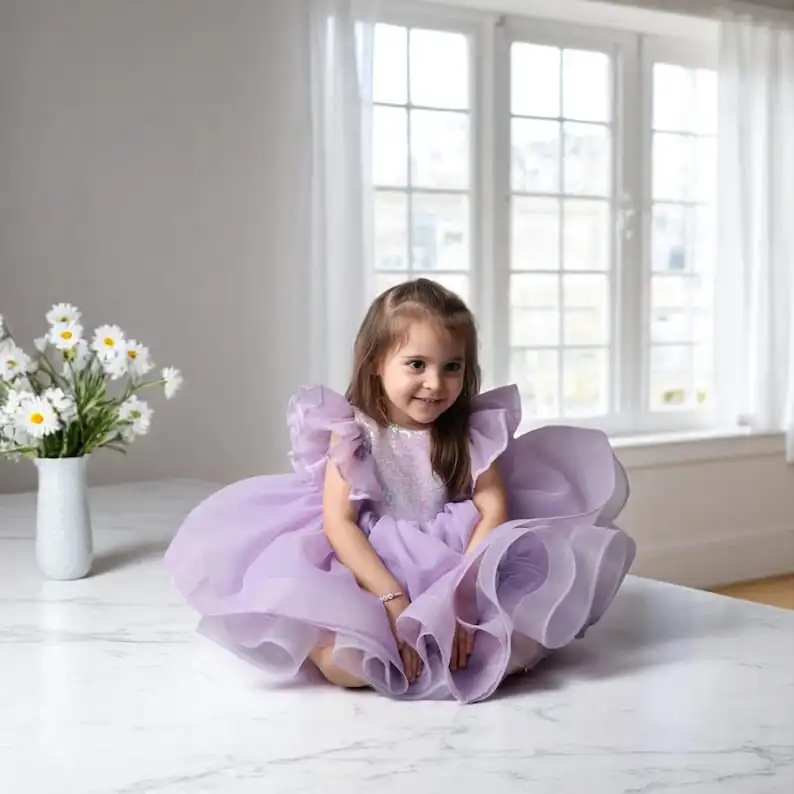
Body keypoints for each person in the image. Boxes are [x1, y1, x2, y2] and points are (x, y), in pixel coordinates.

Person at [164, 278, 635, 703]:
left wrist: (464, 592)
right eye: (417, 364)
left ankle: (451, 642)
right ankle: (343, 638)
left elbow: (492, 506)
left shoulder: (468, 430)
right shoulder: (353, 431)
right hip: (374, 562)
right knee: (348, 665)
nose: (435, 384)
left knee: (519, 645)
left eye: (452, 367)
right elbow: (339, 523)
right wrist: (393, 599)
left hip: (455, 560)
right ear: (375, 365)